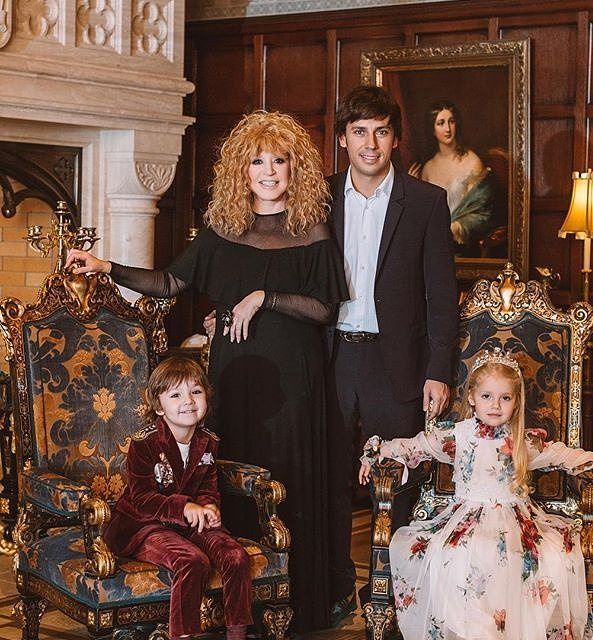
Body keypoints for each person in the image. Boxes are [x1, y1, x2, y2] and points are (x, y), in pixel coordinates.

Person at [67, 111, 349, 632]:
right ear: (242, 170)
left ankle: (293, 607)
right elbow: (170, 283)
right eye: (257, 162)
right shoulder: (223, 231)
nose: (268, 172)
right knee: (229, 477)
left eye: (279, 161)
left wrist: (263, 297)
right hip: (234, 376)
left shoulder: (311, 229)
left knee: (287, 483)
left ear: (296, 168)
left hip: (294, 379)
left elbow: (324, 309)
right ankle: (234, 608)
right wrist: (106, 267)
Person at [359, 348, 593, 640]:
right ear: (472, 398)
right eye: (487, 396)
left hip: (516, 520)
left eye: (505, 398)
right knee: (456, 554)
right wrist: (376, 454)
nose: (495, 405)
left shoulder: (523, 440)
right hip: (466, 518)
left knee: (536, 557)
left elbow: (563, 455)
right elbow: (414, 446)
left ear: (516, 402)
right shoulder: (457, 436)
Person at [325, 85, 458, 625]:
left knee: (399, 485)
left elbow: (441, 295)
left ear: (396, 139)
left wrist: (438, 371)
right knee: (331, 478)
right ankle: (334, 589)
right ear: (342, 139)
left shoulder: (425, 202)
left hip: (397, 363)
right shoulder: (320, 197)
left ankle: (393, 598)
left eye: (381, 132)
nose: (370, 143)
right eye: (359, 132)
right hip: (331, 359)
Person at [103, 356, 252, 640]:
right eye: (176, 395)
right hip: (145, 526)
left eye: (196, 391)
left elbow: (208, 487)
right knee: (192, 560)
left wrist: (209, 507)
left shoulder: (208, 442)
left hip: (190, 524)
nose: (188, 401)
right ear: (159, 406)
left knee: (235, 555)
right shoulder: (145, 444)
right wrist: (184, 507)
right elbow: (142, 498)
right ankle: (183, 635)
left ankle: (237, 633)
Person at [408, 99, 494, 252]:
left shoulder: (471, 161)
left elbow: (480, 213)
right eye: (440, 123)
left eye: (451, 122)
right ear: (432, 129)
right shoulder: (428, 168)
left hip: (464, 246)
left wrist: (454, 228)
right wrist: (412, 190)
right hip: (434, 245)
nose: (447, 128)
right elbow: (423, 214)